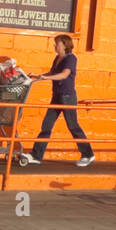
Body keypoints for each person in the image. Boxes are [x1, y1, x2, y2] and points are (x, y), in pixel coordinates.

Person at [16, 35, 95, 167]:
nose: (54, 46)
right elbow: (51, 72)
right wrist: (37, 76)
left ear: (64, 45)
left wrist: (47, 78)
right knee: (46, 125)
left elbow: (64, 75)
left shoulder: (71, 58)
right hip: (57, 96)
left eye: (57, 44)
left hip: (67, 97)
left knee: (73, 126)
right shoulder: (57, 58)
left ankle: (88, 154)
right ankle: (36, 155)